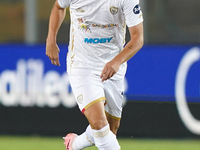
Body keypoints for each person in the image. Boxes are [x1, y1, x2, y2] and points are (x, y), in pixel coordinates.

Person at [46, 0, 143, 149]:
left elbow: (138, 38)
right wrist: (51, 39)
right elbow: (59, 6)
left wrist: (116, 62)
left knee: (110, 130)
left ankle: (75, 144)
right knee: (98, 124)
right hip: (82, 65)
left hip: (113, 67)